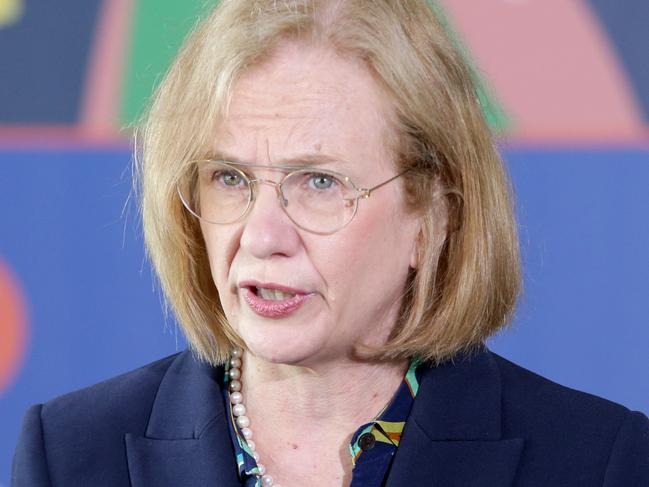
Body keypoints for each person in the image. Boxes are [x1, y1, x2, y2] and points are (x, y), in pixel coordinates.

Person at [12, 1, 649, 486]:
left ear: (433, 215)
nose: (261, 235)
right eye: (229, 178)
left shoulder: (597, 460)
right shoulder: (70, 454)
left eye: (319, 181)